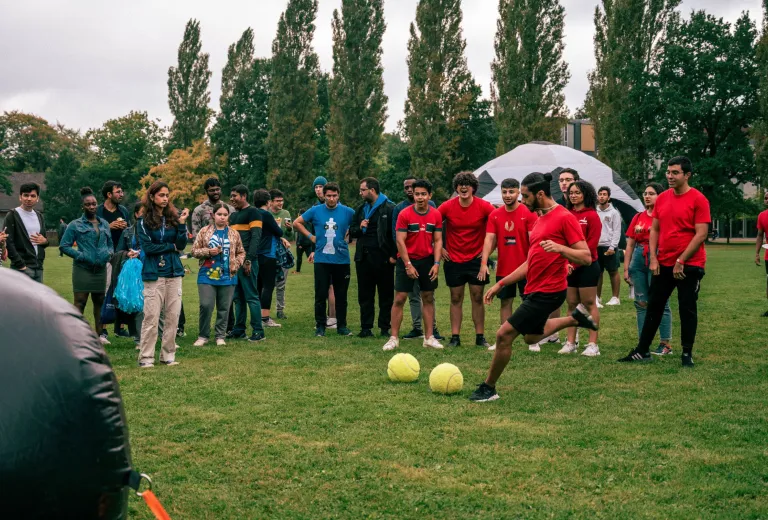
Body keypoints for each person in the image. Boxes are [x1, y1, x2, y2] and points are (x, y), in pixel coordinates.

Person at [469, 172, 597, 402]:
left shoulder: (564, 218)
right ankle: (575, 319)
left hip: (548, 291)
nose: (522, 200)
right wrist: (501, 282)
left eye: (526, 196)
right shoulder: (539, 219)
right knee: (530, 338)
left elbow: (586, 257)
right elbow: (531, 261)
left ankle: (489, 388)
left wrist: (560, 249)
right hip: (534, 288)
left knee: (503, 335)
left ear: (540, 194)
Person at [618, 156, 710, 367]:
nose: (670, 176)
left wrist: (681, 260)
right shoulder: (663, 199)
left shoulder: (698, 199)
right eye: (668, 172)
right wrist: (653, 258)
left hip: (690, 264)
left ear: (687, 175)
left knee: (687, 308)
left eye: (675, 172)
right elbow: (655, 229)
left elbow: (701, 234)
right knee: (654, 306)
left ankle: (687, 353)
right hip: (664, 262)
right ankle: (642, 351)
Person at [479, 178, 539, 352]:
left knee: (528, 302)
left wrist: (534, 263)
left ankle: (533, 339)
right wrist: (484, 263)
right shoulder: (495, 214)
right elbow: (489, 239)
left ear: (518, 192)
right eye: (504, 192)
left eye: (511, 192)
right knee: (505, 302)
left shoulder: (528, 213)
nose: (507, 195)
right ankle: (502, 339)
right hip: (504, 268)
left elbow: (534, 241)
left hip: (527, 267)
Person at [383, 179, 444, 351]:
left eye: (423, 194)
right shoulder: (404, 214)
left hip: (427, 260)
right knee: (400, 298)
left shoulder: (436, 215)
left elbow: (438, 240)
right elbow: (400, 241)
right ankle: (393, 338)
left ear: (429, 196)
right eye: (417, 194)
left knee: (428, 297)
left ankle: (429, 337)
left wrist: (437, 263)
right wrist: (408, 264)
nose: (420, 197)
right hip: (406, 260)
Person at [438, 172, 495, 348]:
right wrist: (439, 248)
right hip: (453, 259)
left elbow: (498, 228)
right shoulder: (447, 207)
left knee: (477, 297)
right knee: (456, 298)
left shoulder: (485, 206)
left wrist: (488, 251)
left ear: (473, 188)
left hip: (476, 260)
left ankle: (480, 337)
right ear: (456, 188)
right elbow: (432, 225)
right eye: (460, 184)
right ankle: (455, 337)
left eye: (467, 184)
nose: (463, 187)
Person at [136, 181, 189, 367]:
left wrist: (182, 225)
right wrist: (170, 247)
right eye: (161, 195)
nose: (165, 199)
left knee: (172, 316)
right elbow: (148, 248)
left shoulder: (174, 218)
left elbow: (181, 245)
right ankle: (146, 357)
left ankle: (168, 356)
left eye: (167, 195)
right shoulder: (143, 221)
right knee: (151, 317)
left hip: (174, 273)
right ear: (152, 197)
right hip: (153, 273)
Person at [60, 187, 122, 345]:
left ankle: (99, 335)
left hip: (100, 268)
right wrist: (80, 256)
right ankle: (76, 336)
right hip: (83, 268)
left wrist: (108, 253)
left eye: (94, 204)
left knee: (99, 301)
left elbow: (110, 244)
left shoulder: (104, 224)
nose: (92, 207)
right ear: (83, 206)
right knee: (80, 301)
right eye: (88, 204)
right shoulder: (75, 225)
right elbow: (64, 246)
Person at [294, 182, 355, 337]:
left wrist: (350, 234)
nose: (331, 199)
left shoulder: (347, 211)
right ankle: (320, 326)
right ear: (324, 195)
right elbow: (297, 223)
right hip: (322, 259)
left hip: (341, 260)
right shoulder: (315, 210)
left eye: (334, 196)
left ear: (338, 195)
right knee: (320, 294)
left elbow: (359, 223)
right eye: (328, 196)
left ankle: (342, 326)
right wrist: (310, 236)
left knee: (341, 295)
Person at [624, 182, 673, 354]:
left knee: (660, 302)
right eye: (645, 193)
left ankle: (665, 343)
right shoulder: (638, 217)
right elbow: (629, 244)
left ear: (660, 196)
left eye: (651, 193)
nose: (647, 196)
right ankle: (643, 343)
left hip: (658, 257)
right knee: (641, 302)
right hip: (638, 259)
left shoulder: (665, 216)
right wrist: (626, 268)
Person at [191, 203, 245, 347]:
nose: (222, 217)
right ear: (213, 215)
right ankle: (203, 336)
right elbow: (194, 251)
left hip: (228, 276)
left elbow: (241, 252)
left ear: (228, 216)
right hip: (206, 275)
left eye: (225, 215)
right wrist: (209, 252)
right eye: (219, 214)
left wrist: (237, 263)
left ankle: (220, 335)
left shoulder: (234, 233)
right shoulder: (204, 231)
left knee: (224, 307)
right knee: (206, 305)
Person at [559, 180, 602, 357]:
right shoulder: (566, 214)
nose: (573, 195)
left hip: (587, 266)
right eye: (571, 193)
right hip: (569, 266)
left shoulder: (592, 216)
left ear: (586, 194)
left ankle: (593, 344)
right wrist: (566, 263)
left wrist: (574, 262)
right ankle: (571, 342)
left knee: (589, 303)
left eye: (577, 192)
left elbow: (591, 246)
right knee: (571, 304)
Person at [350, 177, 396, 338]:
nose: (360, 193)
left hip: (383, 258)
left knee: (386, 294)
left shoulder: (390, 208)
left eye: (363, 190)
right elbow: (352, 231)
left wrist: (393, 255)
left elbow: (394, 234)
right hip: (363, 258)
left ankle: (385, 327)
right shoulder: (360, 209)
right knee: (365, 295)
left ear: (372, 190)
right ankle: (366, 328)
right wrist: (359, 228)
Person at [228, 184, 265, 341]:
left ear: (244, 196)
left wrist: (248, 259)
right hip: (235, 263)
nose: (232, 199)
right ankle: (239, 329)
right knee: (238, 297)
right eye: (231, 195)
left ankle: (258, 331)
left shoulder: (254, 213)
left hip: (247, 262)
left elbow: (256, 237)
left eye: (235, 195)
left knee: (251, 296)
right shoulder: (234, 216)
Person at [253, 189, 288, 328]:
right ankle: (265, 318)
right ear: (268, 202)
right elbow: (279, 232)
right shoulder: (266, 215)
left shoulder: (252, 213)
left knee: (258, 286)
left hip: (256, 254)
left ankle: (257, 316)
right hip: (268, 253)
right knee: (268, 286)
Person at [4, 182, 48, 282]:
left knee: (37, 298)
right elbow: (8, 242)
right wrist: (21, 266)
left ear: (37, 198)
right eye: (26, 195)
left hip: (38, 268)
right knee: (19, 298)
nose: (29, 199)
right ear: (20, 197)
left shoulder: (39, 216)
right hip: (21, 269)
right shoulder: (12, 215)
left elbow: (44, 241)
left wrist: (45, 241)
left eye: (33, 196)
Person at [116, 202, 146, 345]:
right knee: (136, 304)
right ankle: (138, 337)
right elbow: (118, 252)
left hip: (150, 269)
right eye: (142, 212)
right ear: (136, 214)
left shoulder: (155, 230)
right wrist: (128, 253)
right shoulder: (128, 232)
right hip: (132, 272)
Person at [312, 175, 338, 328]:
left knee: (332, 286)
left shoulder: (337, 207)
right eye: (316, 187)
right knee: (323, 287)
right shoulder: (315, 208)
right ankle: (324, 317)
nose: (318, 190)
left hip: (334, 251)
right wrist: (312, 244)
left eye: (320, 187)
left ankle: (333, 317)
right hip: (321, 251)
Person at [270, 188, 294, 320]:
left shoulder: (286, 213)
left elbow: (290, 236)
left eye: (281, 201)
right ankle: (264, 311)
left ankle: (280, 310)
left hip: (283, 252)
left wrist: (290, 229)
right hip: (269, 252)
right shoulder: (266, 213)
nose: (280, 203)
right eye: (277, 201)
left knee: (281, 283)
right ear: (271, 202)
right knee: (268, 283)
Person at [596, 186, 622, 307]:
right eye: (600, 194)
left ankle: (615, 297)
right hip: (596, 246)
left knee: (613, 271)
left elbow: (617, 231)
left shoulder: (614, 213)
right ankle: (597, 297)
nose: (602, 196)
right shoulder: (594, 211)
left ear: (609, 197)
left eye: (604, 194)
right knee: (598, 272)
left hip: (609, 247)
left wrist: (612, 247)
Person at [756, 191, 768, 317]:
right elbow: (760, 236)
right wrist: (757, 254)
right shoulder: (762, 216)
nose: (766, 200)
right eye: (765, 198)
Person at [294, 207, 314, 273]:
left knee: (299, 258)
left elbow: (302, 234)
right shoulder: (310, 222)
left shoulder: (301, 223)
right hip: (309, 242)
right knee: (311, 257)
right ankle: (320, 268)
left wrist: (299, 243)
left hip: (302, 243)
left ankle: (297, 271)